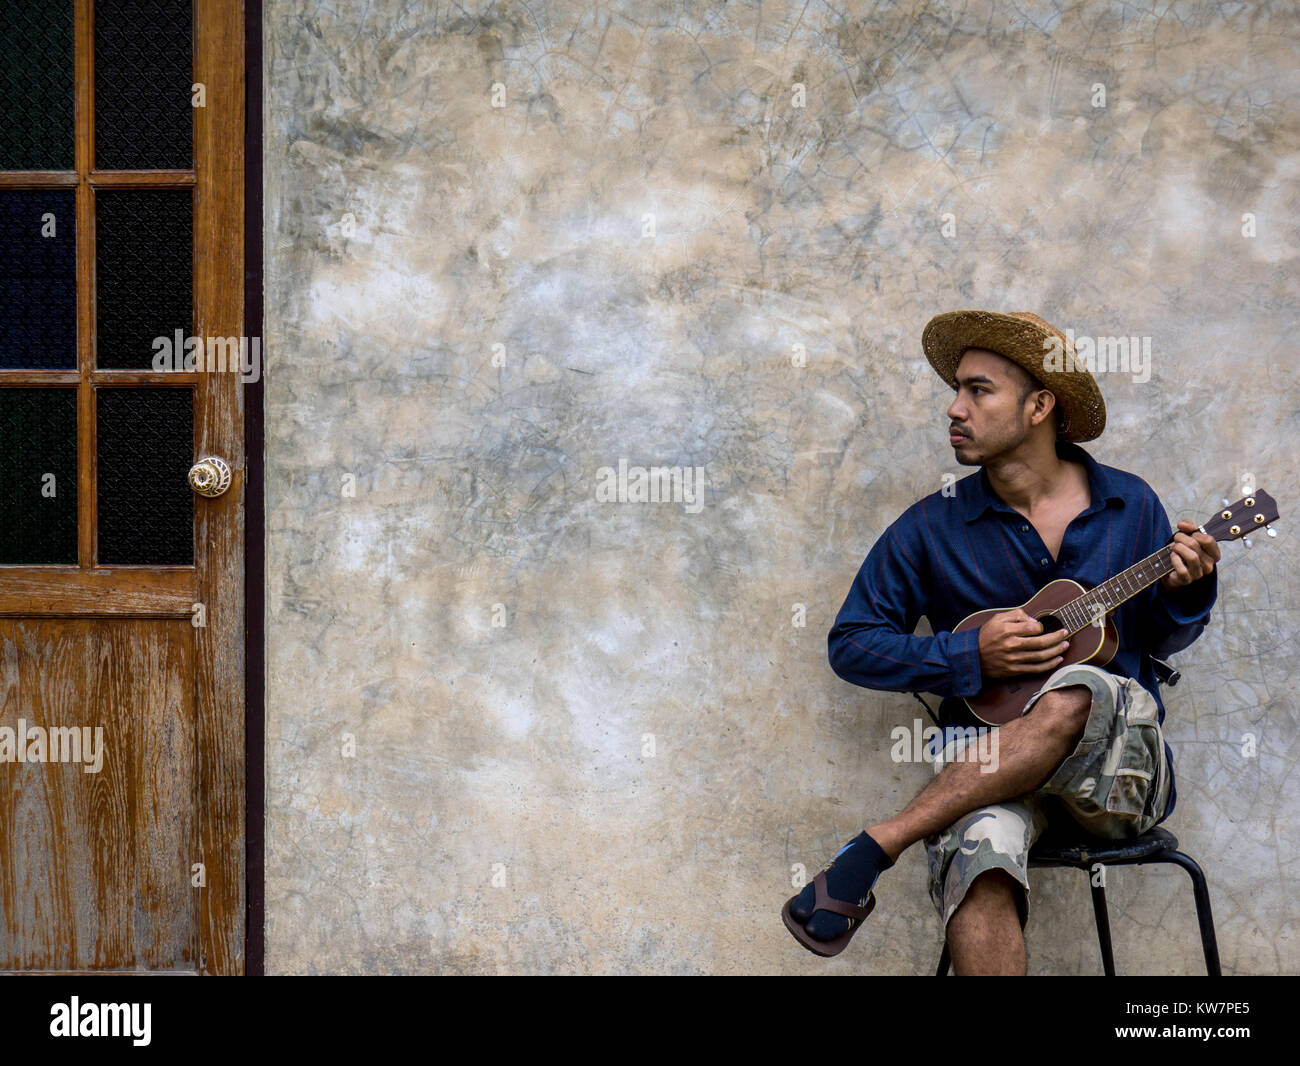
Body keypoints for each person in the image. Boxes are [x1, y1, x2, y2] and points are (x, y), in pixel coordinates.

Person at [781, 310, 1221, 974]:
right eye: (956, 389)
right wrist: (968, 656)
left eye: (978, 390)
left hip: (1118, 776)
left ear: (1040, 404)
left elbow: (1163, 636)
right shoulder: (931, 528)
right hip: (986, 781)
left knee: (1084, 688)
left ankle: (877, 846)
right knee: (978, 857)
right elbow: (852, 644)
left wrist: (1190, 587)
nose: (954, 408)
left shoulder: (1130, 507)